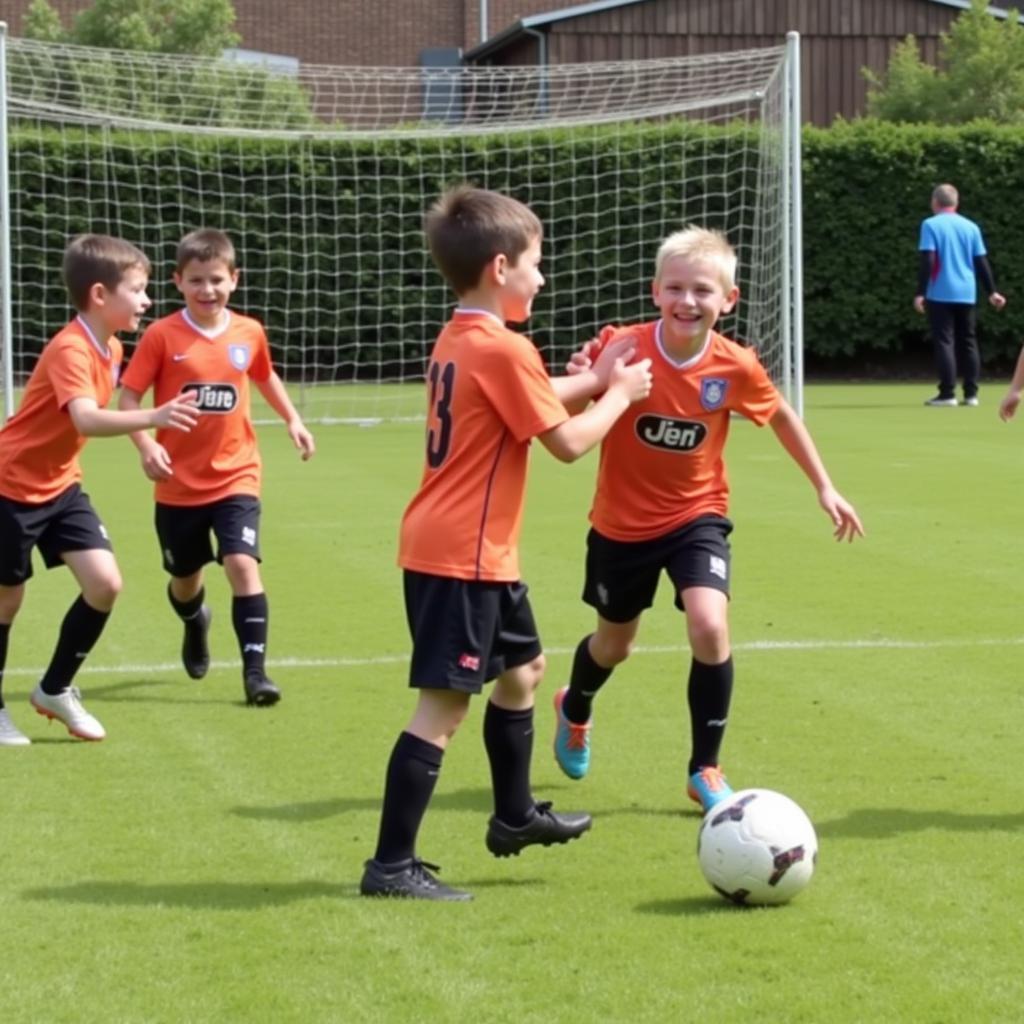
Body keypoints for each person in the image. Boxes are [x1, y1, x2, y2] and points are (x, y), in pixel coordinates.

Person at [360, 185, 653, 901]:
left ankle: (515, 816)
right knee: (444, 708)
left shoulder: (464, 334)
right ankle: (390, 866)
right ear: (500, 267)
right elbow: (567, 443)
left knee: (524, 670)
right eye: (535, 264)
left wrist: (595, 375)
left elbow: (530, 391)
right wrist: (620, 394)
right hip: (460, 554)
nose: (542, 278)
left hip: (473, 550)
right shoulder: (506, 346)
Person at [551, 226, 864, 812]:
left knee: (710, 625)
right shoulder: (622, 346)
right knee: (613, 644)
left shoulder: (735, 365)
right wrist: (587, 376)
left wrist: (825, 486)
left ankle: (705, 767)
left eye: (701, 290)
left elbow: (781, 418)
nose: (686, 301)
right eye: (675, 288)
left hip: (698, 515)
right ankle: (575, 707)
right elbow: (567, 402)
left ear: (728, 299)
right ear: (655, 291)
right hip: (621, 525)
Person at [0, 234, 199, 747]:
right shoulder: (70, 348)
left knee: (105, 584)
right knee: (7, 601)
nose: (147, 300)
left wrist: (143, 443)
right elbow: (85, 417)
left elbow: (97, 413)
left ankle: (55, 689)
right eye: (137, 289)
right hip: (12, 486)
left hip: (62, 486)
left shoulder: (111, 345)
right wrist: (153, 417)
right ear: (99, 295)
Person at [119, 229, 315, 708]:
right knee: (185, 579)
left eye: (216, 280)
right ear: (178, 283)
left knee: (242, 565)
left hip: (237, 476)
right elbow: (128, 396)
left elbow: (264, 374)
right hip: (178, 484)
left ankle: (256, 674)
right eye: (196, 281)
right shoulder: (162, 336)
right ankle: (194, 621)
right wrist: (146, 445)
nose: (208, 290)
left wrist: (292, 419)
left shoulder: (249, 332)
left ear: (235, 279)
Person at [914, 183, 1006, 407]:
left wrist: (920, 292)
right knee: (968, 341)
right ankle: (971, 394)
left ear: (935, 202)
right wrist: (992, 291)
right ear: (956, 203)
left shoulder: (930, 224)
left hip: (940, 290)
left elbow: (929, 259)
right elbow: (981, 261)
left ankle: (947, 394)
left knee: (945, 341)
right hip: (967, 291)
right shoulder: (971, 226)